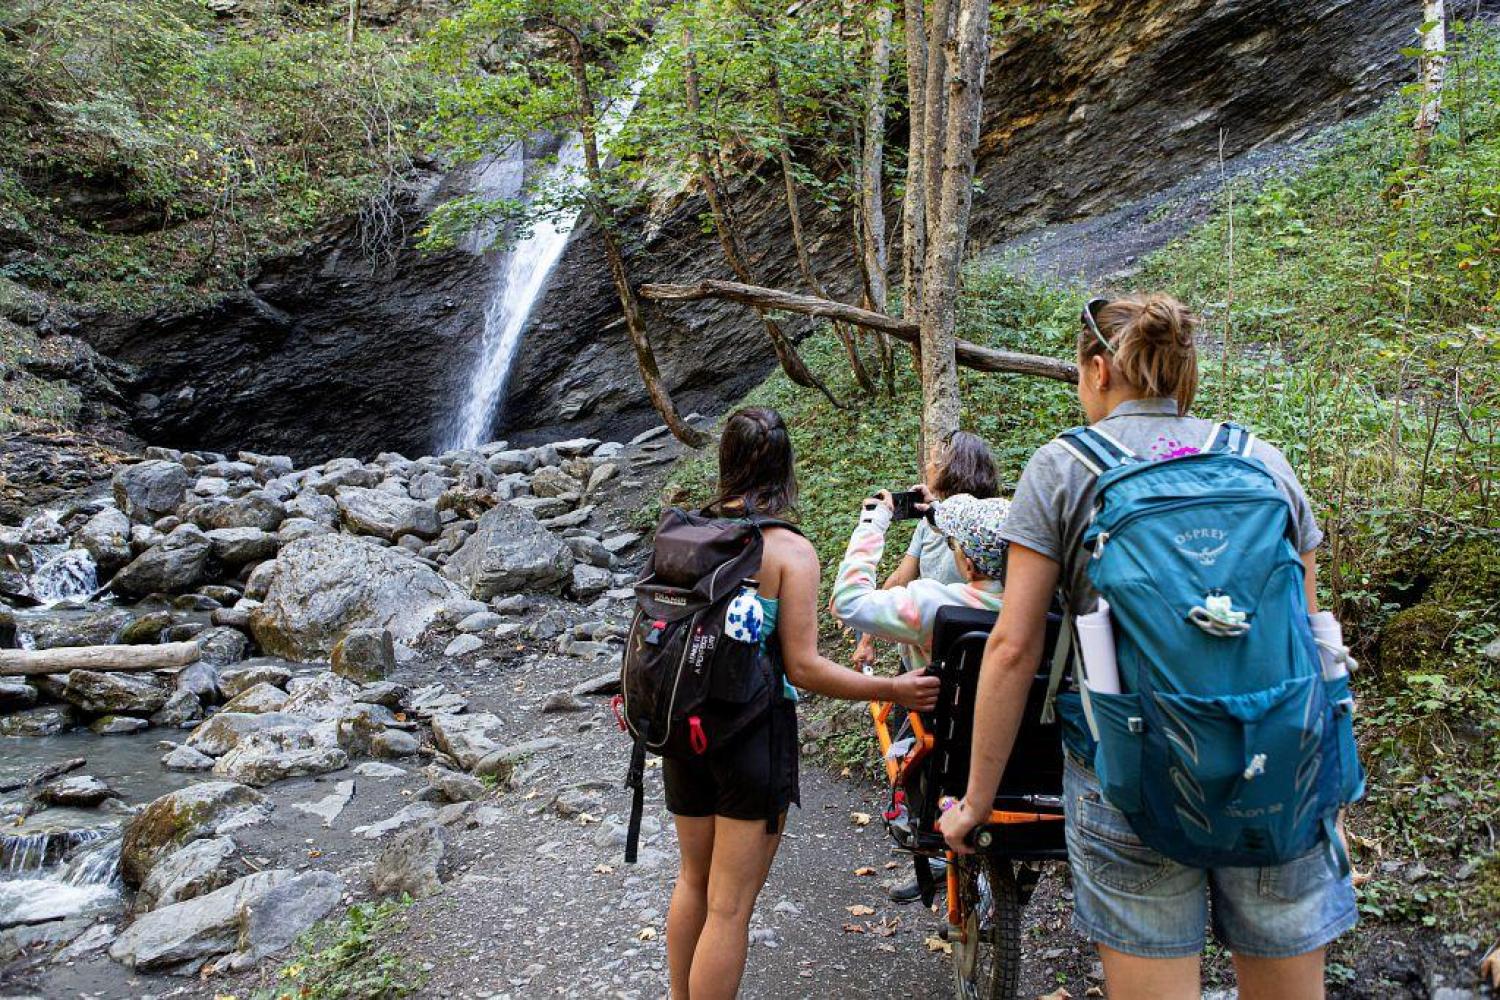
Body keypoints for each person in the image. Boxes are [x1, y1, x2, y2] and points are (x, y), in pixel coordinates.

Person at [939, 294, 1355, 1000]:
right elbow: (1311, 633)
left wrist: (976, 803)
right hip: (1280, 764)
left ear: (1098, 368)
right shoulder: (1261, 459)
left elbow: (1011, 648)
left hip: (1132, 775)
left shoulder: (1064, 467)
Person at [664, 406, 940, 1000]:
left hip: (681, 728)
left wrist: (888, 503)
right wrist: (893, 689)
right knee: (730, 906)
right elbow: (806, 668)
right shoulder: (788, 551)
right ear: (787, 471)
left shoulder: (686, 533)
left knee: (692, 881)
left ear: (726, 462)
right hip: (750, 737)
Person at [848, 430, 1000, 673]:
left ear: (948, 470)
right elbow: (900, 577)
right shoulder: (996, 522)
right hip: (977, 655)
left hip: (939, 646)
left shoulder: (983, 533)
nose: (927, 466)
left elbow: (850, 602)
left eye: (931, 460)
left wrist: (871, 527)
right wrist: (868, 638)